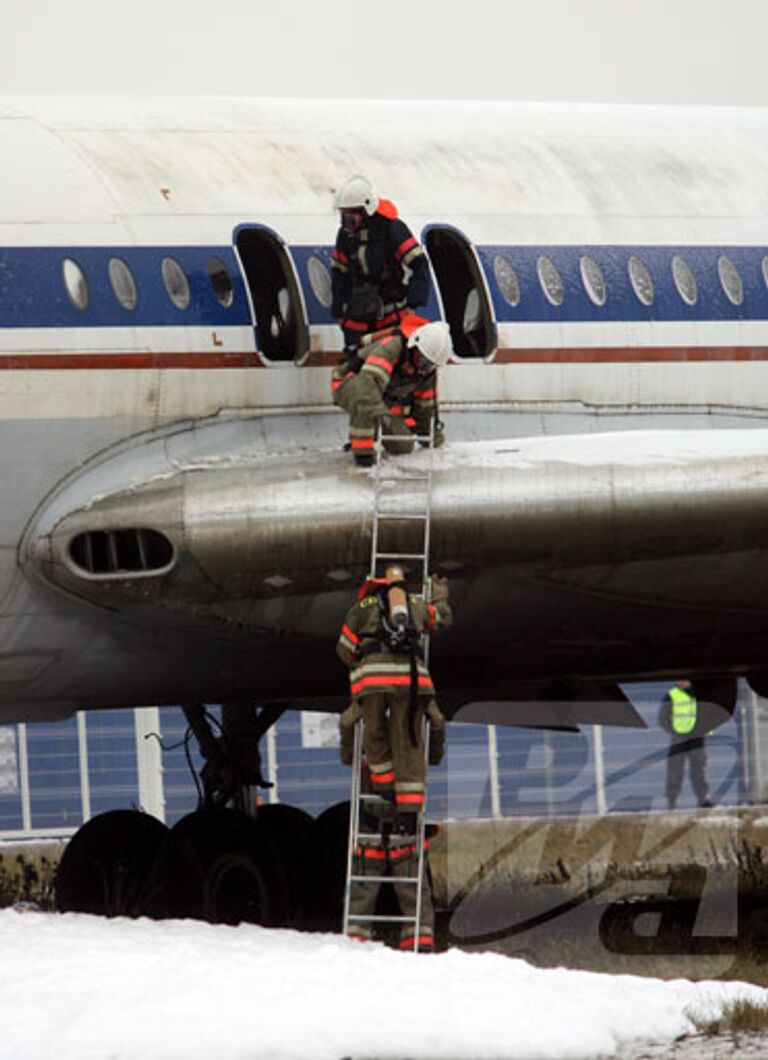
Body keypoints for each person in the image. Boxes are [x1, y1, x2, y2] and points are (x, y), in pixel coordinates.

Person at [337, 566, 451, 950]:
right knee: (409, 746)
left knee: (378, 742)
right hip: (412, 682)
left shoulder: (362, 606)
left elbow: (344, 648)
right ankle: (417, 934)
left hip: (371, 683)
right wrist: (439, 594)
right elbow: (442, 618)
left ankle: (358, 934)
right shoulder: (416, 604)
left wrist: (346, 756)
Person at [332, 314, 451, 466]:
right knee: (365, 399)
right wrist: (382, 416)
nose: (424, 368)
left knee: (403, 446)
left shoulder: (427, 372)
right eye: (423, 361)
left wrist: (433, 437)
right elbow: (367, 387)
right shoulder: (390, 348)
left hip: (382, 394)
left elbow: (426, 407)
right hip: (349, 383)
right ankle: (363, 454)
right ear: (414, 347)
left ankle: (375, 428)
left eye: (430, 365)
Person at [331, 175, 430, 353]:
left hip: (390, 313)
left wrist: (413, 303)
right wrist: (338, 311)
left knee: (390, 359)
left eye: (351, 218)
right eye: (343, 217)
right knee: (353, 361)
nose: (346, 224)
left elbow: (419, 264)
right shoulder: (345, 236)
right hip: (357, 314)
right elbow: (339, 273)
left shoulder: (391, 230)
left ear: (366, 211)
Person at [658, 679, 713, 810]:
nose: (680, 681)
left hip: (697, 736)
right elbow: (663, 717)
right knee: (675, 769)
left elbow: (709, 714)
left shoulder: (699, 695)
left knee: (699, 768)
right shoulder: (672, 695)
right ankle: (672, 801)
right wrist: (673, 730)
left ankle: (703, 799)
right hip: (679, 737)